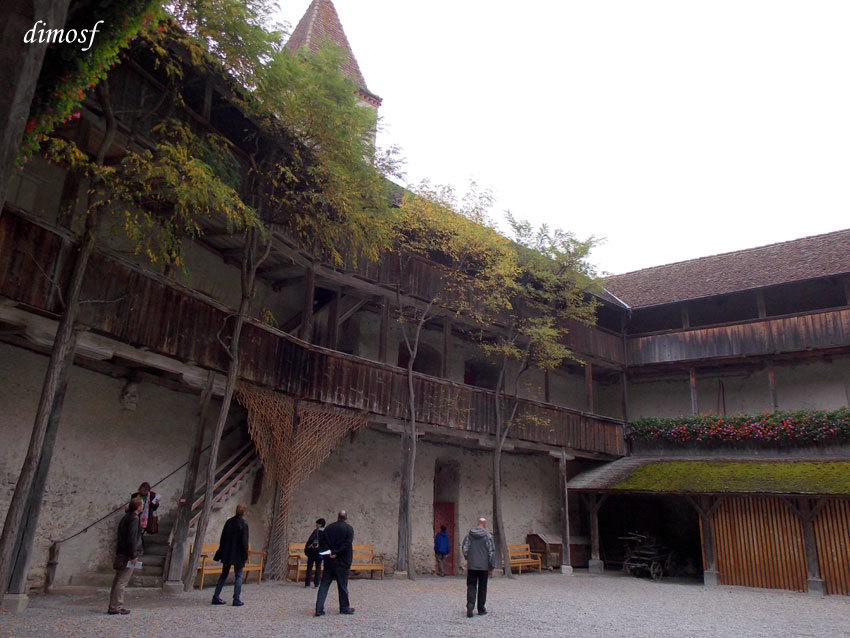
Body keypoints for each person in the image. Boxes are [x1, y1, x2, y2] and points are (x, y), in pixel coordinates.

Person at [107, 497, 144, 615]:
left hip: (122, 552)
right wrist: (133, 555)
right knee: (122, 581)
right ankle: (116, 606)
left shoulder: (126, 517)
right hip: (127, 554)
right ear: (138, 507)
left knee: (118, 579)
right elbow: (132, 538)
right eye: (142, 505)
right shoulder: (134, 519)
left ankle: (114, 605)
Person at [314, 510, 355, 617]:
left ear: (338, 517)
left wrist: (330, 552)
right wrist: (336, 552)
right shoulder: (349, 529)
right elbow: (347, 543)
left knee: (324, 585)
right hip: (342, 561)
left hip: (329, 561)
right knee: (342, 585)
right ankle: (344, 608)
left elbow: (323, 542)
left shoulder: (329, 528)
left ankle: (319, 609)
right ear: (346, 518)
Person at [211, 504, 250, 607]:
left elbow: (223, 538)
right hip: (238, 554)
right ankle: (236, 599)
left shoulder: (229, 522)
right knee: (239, 576)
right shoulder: (243, 524)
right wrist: (245, 555)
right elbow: (244, 542)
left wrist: (222, 551)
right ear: (244, 512)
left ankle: (216, 596)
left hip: (228, 553)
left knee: (224, 575)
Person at [462, 517, 496, 618]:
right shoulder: (488, 536)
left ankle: (470, 604)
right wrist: (491, 565)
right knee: (482, 587)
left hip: (472, 565)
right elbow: (491, 552)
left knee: (471, 585)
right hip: (483, 566)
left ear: (478, 524)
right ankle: (481, 608)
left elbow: (465, 548)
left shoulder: (469, 535)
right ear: (484, 524)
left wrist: (468, 558)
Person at [304, 518, 326, 588]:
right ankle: (316, 584)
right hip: (320, 552)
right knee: (318, 568)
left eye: (317, 524)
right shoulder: (326, 532)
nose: (316, 525)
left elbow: (310, 540)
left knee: (309, 567)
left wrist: (307, 549)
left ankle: (307, 583)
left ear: (320, 524)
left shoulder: (316, 531)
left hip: (313, 551)